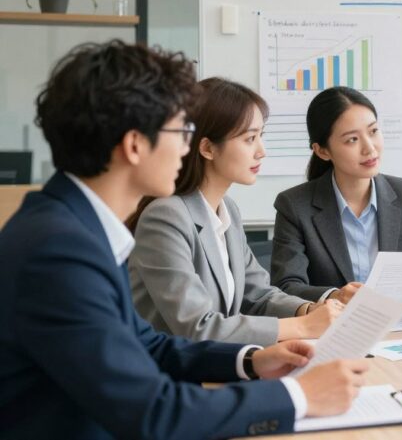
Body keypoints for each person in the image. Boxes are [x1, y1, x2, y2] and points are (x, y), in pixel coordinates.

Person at [0, 40, 369, 438]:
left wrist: (250, 361)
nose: (187, 146)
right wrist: (297, 396)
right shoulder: (59, 251)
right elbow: (152, 412)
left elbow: (151, 346)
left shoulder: (77, 227)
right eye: (182, 130)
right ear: (135, 144)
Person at [129, 78, 342, 346]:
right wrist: (302, 326)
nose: (261, 151)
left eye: (260, 137)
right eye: (250, 138)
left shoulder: (226, 209)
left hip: (215, 365)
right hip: (171, 377)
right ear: (207, 148)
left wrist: (308, 310)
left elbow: (258, 294)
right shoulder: (165, 217)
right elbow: (197, 327)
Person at [272, 86, 402, 312]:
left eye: (373, 131)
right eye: (351, 140)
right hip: (332, 331)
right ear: (322, 151)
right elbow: (286, 286)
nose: (370, 148)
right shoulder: (294, 205)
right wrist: (335, 295)